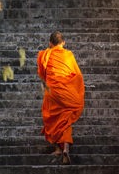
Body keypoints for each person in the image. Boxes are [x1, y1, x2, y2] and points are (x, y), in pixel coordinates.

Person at [37, 31, 85, 165]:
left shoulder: (45, 54)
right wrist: (74, 88)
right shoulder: (69, 55)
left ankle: (57, 148)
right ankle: (66, 148)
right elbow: (77, 75)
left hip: (52, 91)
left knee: (50, 117)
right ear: (63, 42)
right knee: (65, 118)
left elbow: (42, 74)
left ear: (50, 43)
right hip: (67, 92)